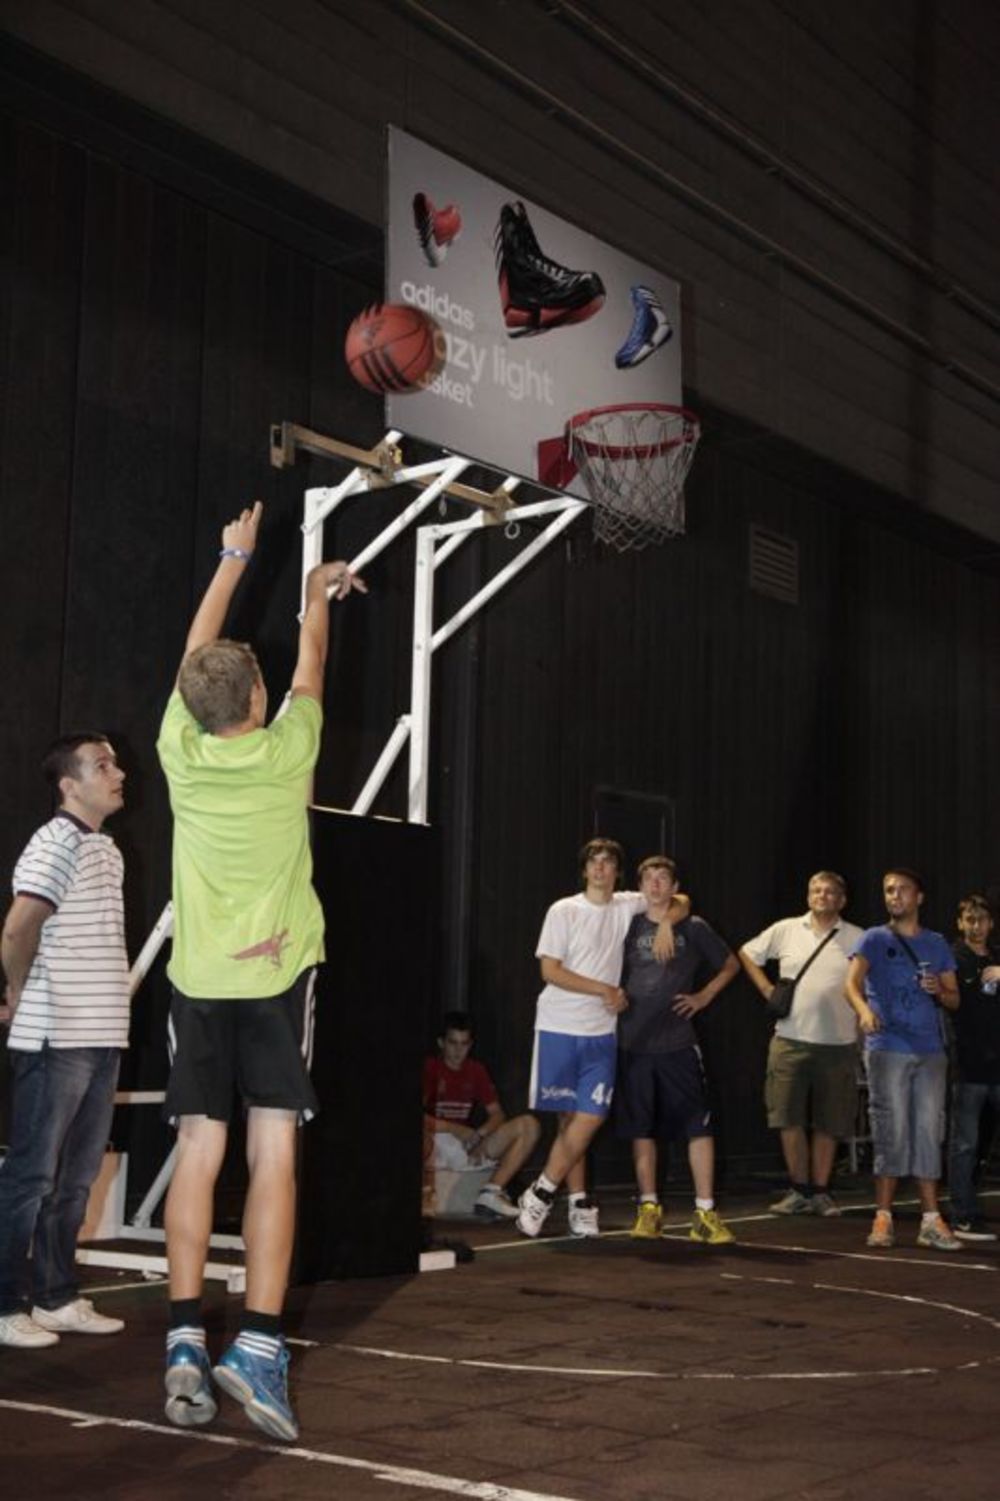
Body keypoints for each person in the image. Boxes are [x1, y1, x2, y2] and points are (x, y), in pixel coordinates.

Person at [156, 500, 365, 1441]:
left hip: (200, 981)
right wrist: (318, 594)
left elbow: (197, 656)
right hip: (277, 985)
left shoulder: (179, 752)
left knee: (200, 1151)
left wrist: (232, 560)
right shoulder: (289, 751)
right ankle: (261, 1345)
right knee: (272, 1148)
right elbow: (311, 663)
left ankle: (183, 1338)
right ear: (255, 702)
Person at [0, 734, 130, 1349]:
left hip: (100, 1036)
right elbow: (18, 926)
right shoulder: (56, 841)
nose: (118, 772)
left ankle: (55, 1296)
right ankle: (4, 1305)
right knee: (31, 1178)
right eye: (102, 766)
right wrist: (20, 991)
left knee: (76, 1181)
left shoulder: (103, 848)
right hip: (57, 1038)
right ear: (69, 785)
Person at [516, 838, 686, 1240]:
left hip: (600, 1032)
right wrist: (604, 991)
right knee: (569, 1121)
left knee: (592, 1116)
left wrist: (665, 922)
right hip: (559, 1025)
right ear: (584, 869)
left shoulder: (628, 904)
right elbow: (551, 972)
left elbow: (682, 899)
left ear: (617, 872)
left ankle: (540, 1191)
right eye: (594, 861)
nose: (600, 868)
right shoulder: (564, 909)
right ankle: (578, 1201)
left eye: (608, 862)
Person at [617, 857, 739, 1245]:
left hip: (678, 1044)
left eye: (663, 878)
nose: (655, 884)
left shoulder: (693, 925)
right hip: (633, 1043)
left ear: (674, 886)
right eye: (648, 879)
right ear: (640, 887)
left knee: (697, 1127)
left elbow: (731, 964)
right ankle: (649, 1208)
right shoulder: (627, 922)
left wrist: (704, 996)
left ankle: (704, 1212)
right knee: (642, 1127)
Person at [844, 869, 961, 1251]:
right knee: (890, 1128)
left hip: (929, 1050)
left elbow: (955, 998)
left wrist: (939, 990)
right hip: (888, 1046)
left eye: (902, 890)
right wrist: (863, 1009)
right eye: (888, 890)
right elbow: (851, 983)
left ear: (919, 897)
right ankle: (884, 1217)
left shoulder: (937, 943)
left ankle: (931, 1219)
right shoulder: (874, 938)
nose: (894, 896)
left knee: (929, 1130)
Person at [739, 872, 863, 1218]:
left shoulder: (858, 937)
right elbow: (747, 954)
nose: (822, 896)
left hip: (838, 1042)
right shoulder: (787, 929)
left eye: (830, 892)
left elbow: (869, 984)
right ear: (808, 895)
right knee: (786, 1115)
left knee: (830, 1119)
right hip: (789, 1039)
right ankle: (799, 1189)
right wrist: (766, 989)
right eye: (816, 890)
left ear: (842, 899)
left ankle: (821, 1191)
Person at [423, 1010, 540, 1220]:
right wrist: (454, 1129)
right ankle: (424, 1195)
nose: (459, 1050)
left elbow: (497, 1114)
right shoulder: (430, 1068)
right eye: (453, 1043)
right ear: (441, 1043)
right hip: (433, 1144)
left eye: (464, 1044)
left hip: (464, 1147)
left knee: (528, 1125)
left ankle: (491, 1193)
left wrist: (478, 1135)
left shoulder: (476, 1070)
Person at [946, 895, 1000, 1241]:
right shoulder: (952, 958)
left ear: (991, 923)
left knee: (980, 1144)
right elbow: (952, 1003)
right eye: (970, 919)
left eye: (982, 919)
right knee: (964, 1143)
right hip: (969, 1065)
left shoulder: (997, 956)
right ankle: (963, 1213)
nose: (976, 925)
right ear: (960, 923)